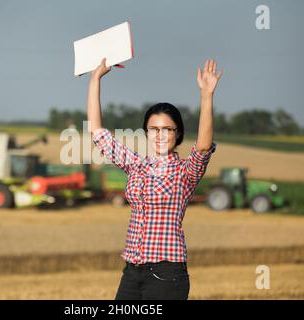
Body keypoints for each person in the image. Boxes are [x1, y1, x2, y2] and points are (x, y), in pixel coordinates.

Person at [87, 58, 222, 300]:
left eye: (166, 129)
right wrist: (95, 79)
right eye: (153, 129)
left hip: (166, 273)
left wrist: (206, 96)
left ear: (177, 133)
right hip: (132, 270)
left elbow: (202, 147)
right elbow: (98, 133)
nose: (159, 135)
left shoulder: (185, 172)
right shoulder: (136, 165)